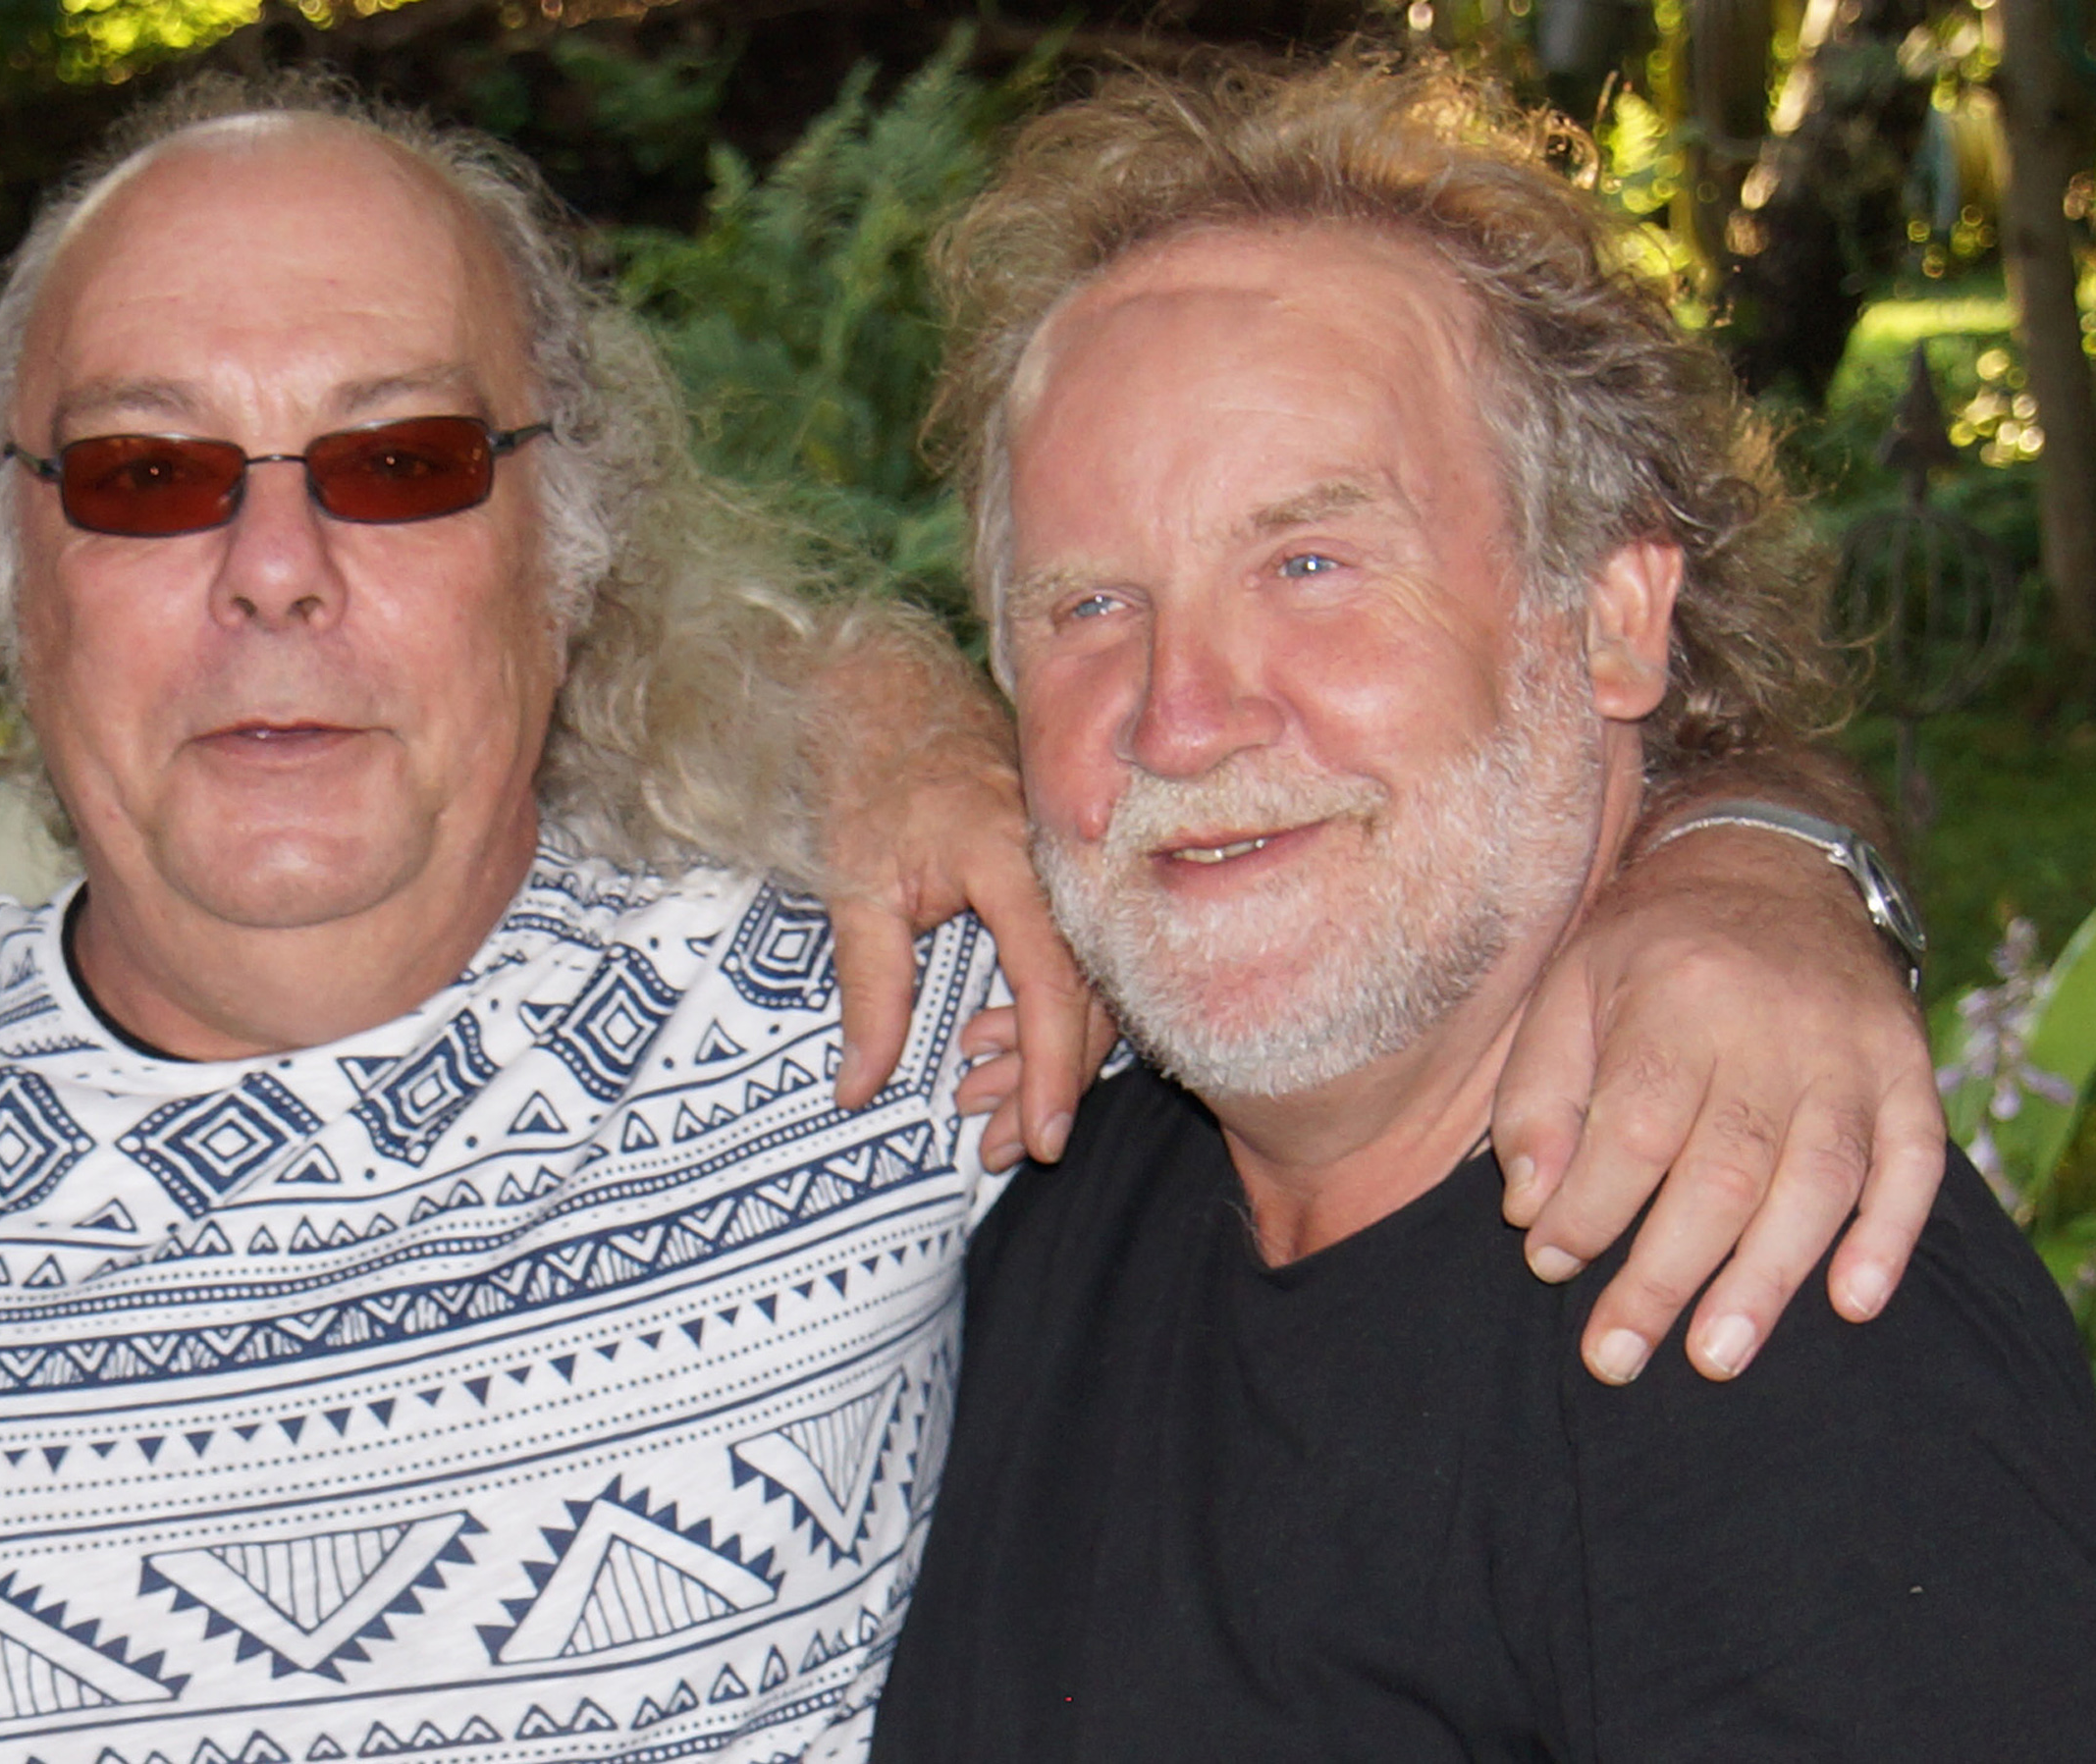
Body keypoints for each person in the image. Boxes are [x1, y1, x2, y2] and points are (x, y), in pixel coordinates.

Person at [0, 71, 1939, 1764]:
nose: (273, 573)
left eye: (399, 461)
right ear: (2, 573)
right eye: (145, 474)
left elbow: (1357, 833)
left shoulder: (903, 1026)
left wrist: (1752, 866)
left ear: (567, 553)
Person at [873, 54, 2096, 1764]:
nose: (1181, 716)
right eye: (1090, 606)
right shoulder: (1049, 1187)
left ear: (1612, 619)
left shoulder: (1762, 1313)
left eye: (1310, 564)